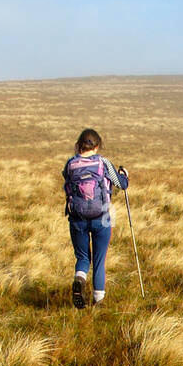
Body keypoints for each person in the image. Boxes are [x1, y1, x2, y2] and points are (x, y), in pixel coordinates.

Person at [62, 128, 128, 309]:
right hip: (102, 218)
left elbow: (66, 180)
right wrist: (124, 175)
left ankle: (80, 278)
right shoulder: (103, 163)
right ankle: (99, 301)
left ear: (78, 145)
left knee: (83, 257)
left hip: (77, 218)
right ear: (97, 146)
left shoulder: (70, 164)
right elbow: (122, 185)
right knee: (99, 260)